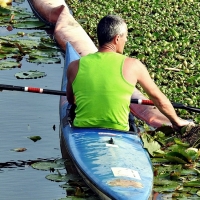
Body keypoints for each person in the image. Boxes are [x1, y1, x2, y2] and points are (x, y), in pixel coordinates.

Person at [66, 14, 193, 131]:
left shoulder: (74, 66)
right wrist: (177, 121)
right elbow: (158, 99)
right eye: (125, 36)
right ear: (117, 39)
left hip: (82, 129)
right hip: (118, 131)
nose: (126, 40)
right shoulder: (133, 65)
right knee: (131, 119)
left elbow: (71, 100)